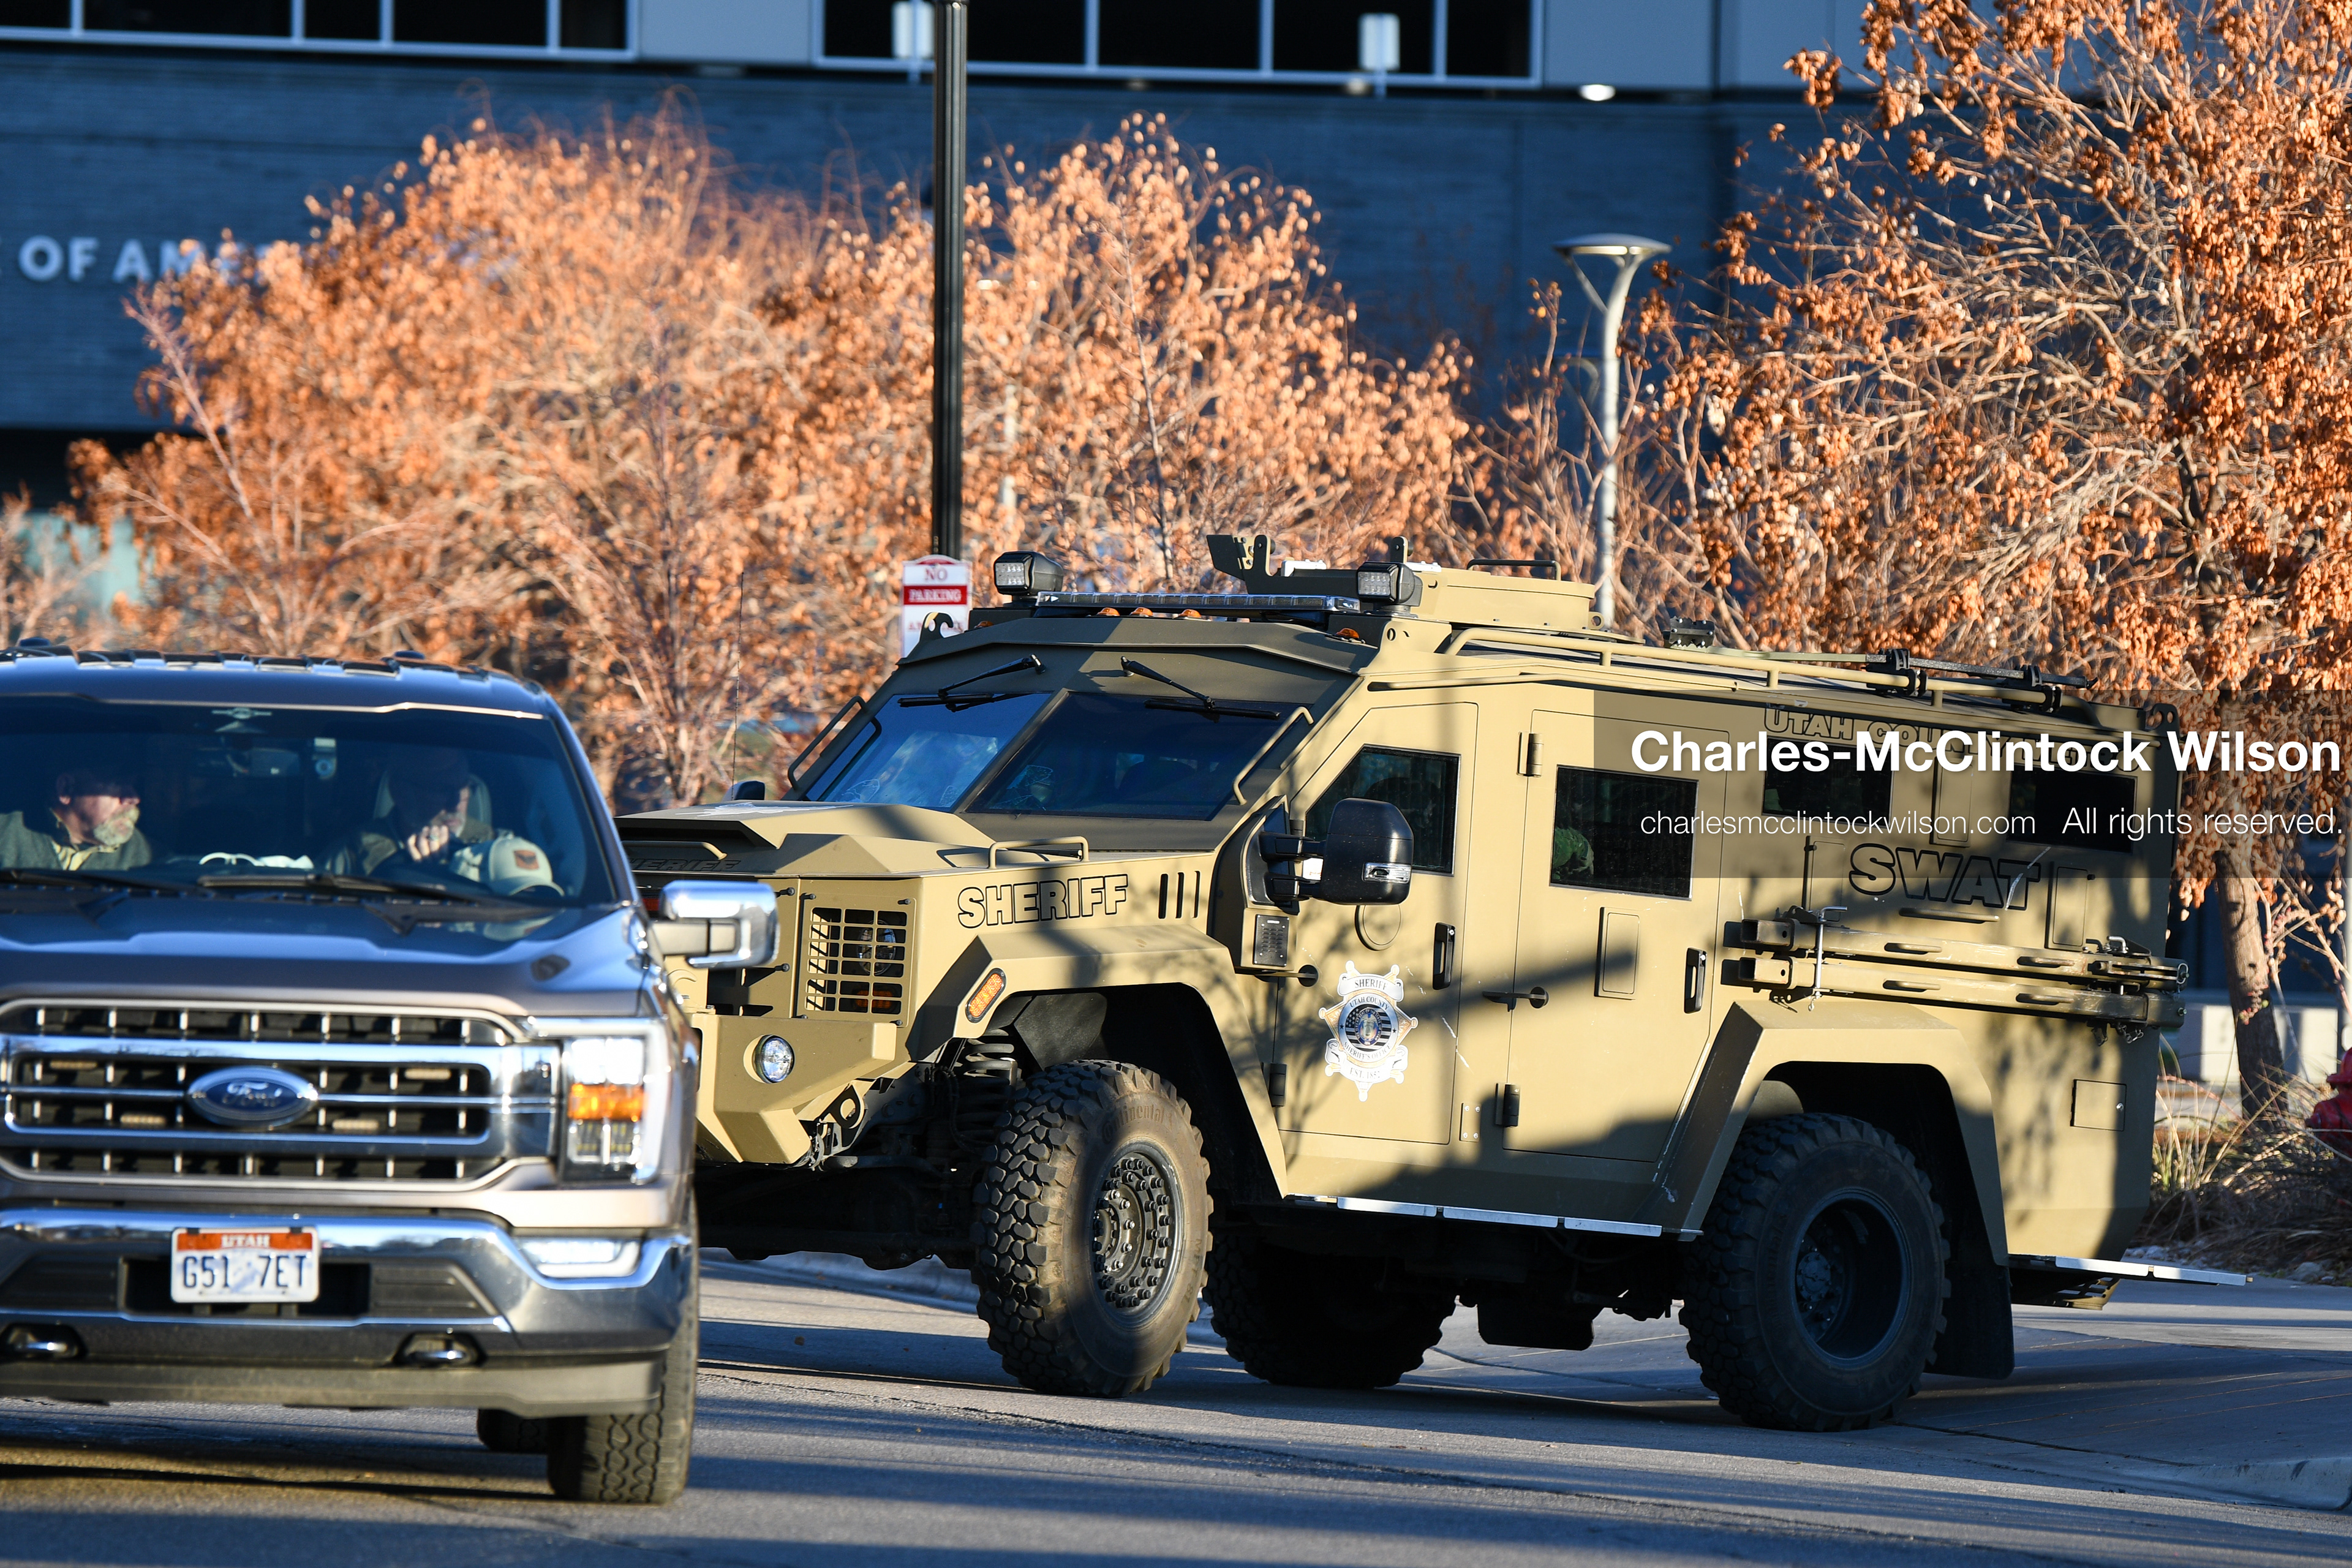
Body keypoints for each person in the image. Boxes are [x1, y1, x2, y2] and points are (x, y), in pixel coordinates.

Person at [317, 747, 558, 897]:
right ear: (400, 793)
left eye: (463, 786)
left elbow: (533, 910)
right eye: (441, 789)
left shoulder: (498, 847)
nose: (455, 802)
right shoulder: (354, 853)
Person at [0, 764, 153, 872]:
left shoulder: (151, 858)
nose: (133, 798)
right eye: (118, 784)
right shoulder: (6, 835)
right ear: (66, 789)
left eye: (134, 786)